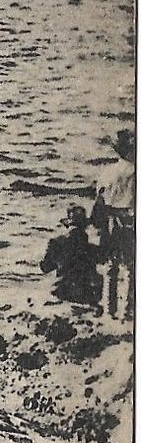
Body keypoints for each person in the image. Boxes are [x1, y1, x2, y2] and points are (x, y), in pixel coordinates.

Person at [92, 129, 136, 320]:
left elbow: (99, 201)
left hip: (110, 222)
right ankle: (128, 311)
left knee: (111, 267)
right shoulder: (134, 172)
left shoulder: (108, 172)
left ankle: (110, 311)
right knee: (131, 267)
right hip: (129, 222)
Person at [40, 206, 102, 307]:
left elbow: (45, 267)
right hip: (85, 294)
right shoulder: (92, 249)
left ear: (68, 226)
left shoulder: (56, 243)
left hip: (63, 292)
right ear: (84, 227)